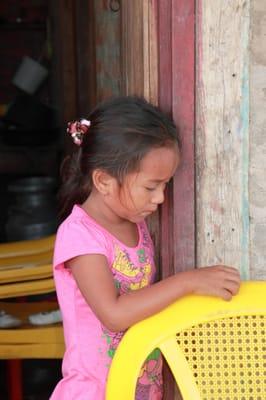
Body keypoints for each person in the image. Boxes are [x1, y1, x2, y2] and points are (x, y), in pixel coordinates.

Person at [50, 96, 240, 400]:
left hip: (140, 387)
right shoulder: (80, 236)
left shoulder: (135, 223)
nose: (160, 198)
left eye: (165, 185)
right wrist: (189, 281)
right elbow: (113, 314)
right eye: (151, 187)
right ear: (104, 181)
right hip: (97, 391)